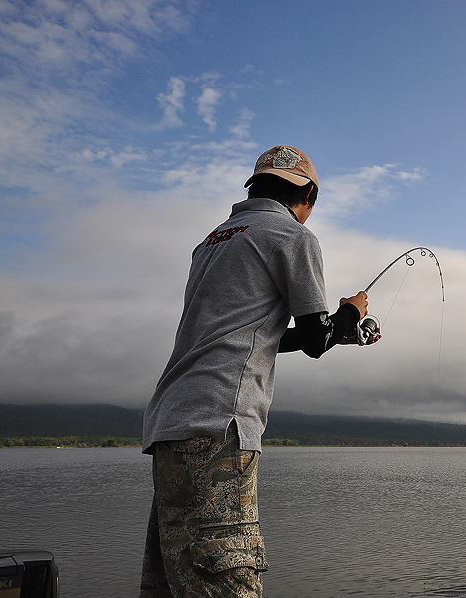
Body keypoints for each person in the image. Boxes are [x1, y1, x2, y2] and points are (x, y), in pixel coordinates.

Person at [139, 145, 368, 598]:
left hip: (171, 424)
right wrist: (348, 314)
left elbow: (258, 337)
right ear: (307, 195)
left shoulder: (210, 242)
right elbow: (316, 340)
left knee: (178, 577)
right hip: (220, 425)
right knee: (226, 579)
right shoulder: (292, 236)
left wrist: (343, 331)